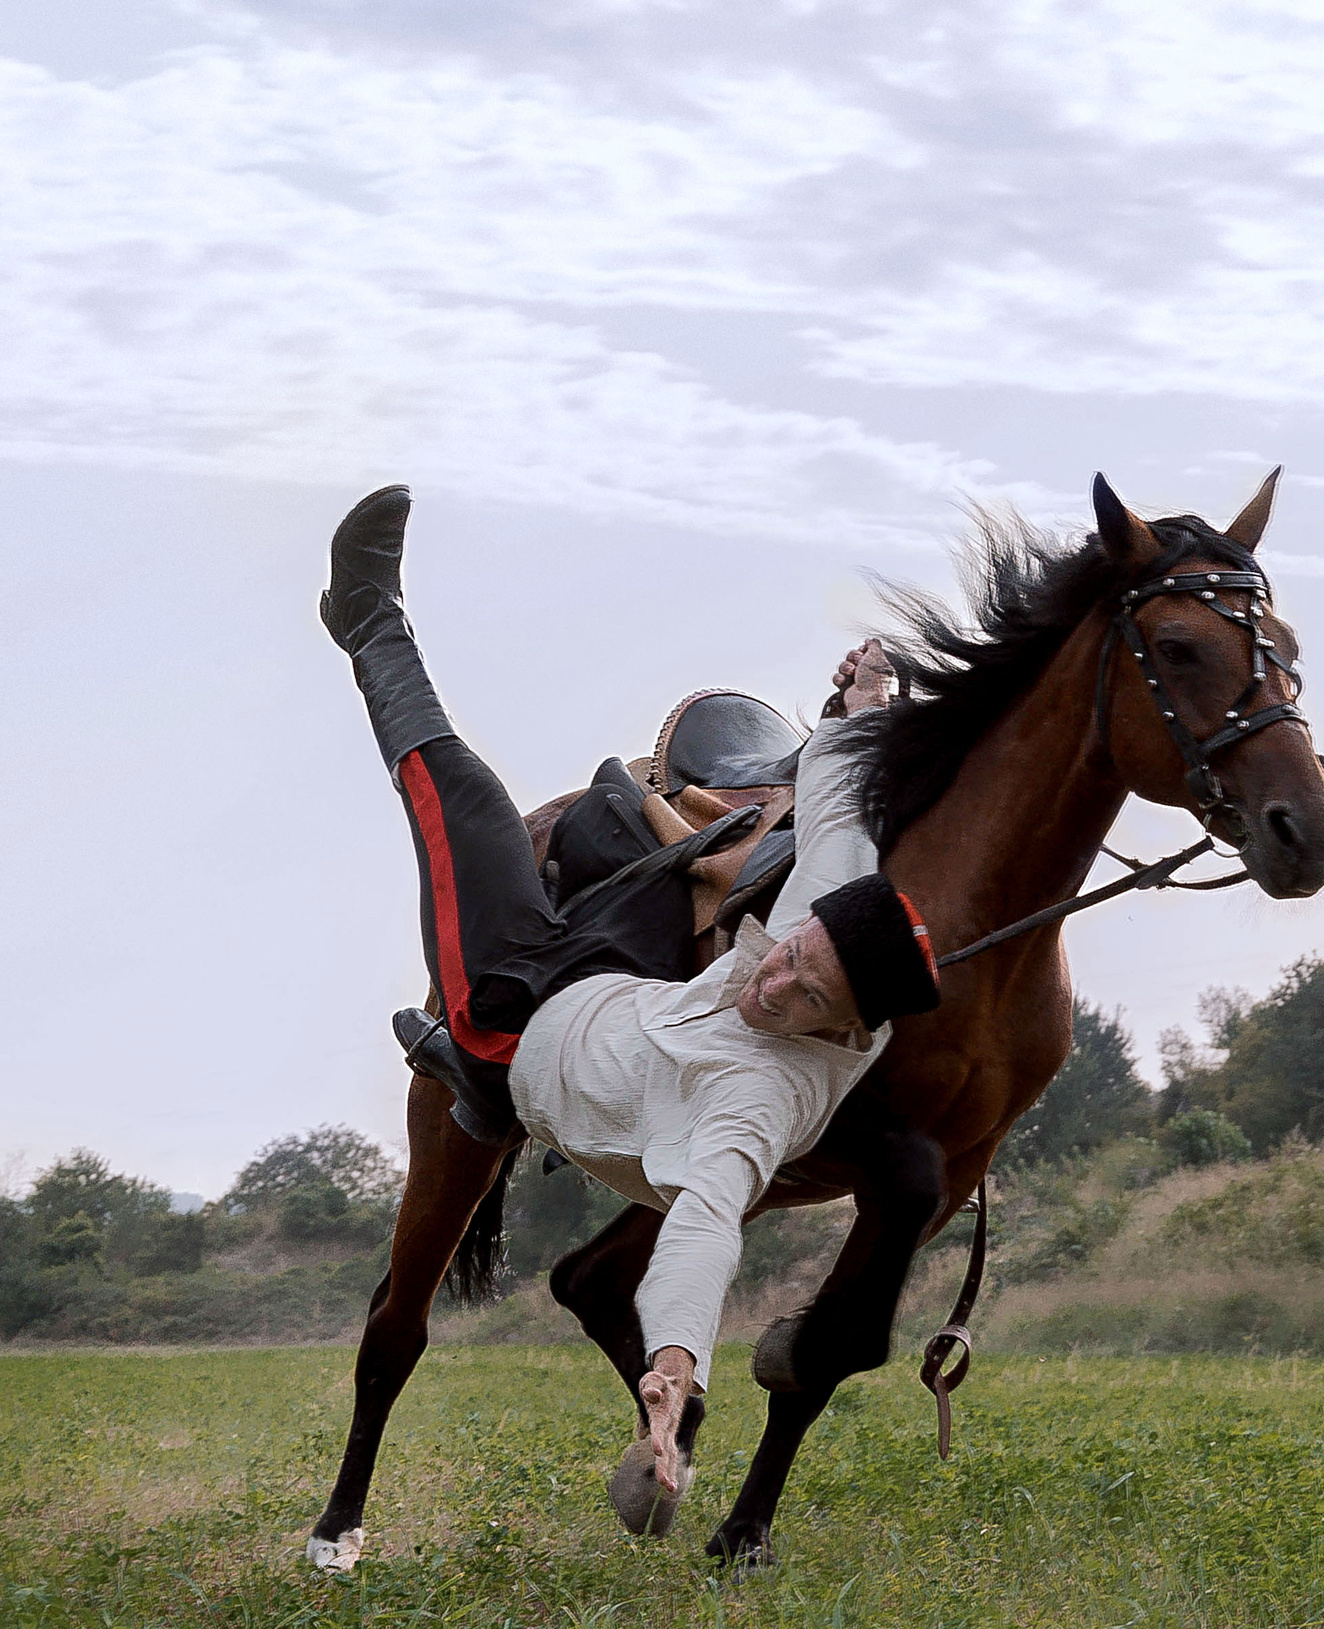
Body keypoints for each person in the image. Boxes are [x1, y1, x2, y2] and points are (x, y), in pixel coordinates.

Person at [319, 484, 939, 1530]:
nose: (772, 977)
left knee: (454, 789)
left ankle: (367, 621)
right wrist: (866, 697)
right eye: (790, 953)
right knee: (568, 824)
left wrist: (671, 1374)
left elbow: (701, 1231)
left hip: (518, 1014)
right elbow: (834, 798)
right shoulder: (810, 930)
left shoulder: (763, 1098)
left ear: (836, 1031)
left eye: (797, 992)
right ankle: (366, 606)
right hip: (613, 965)